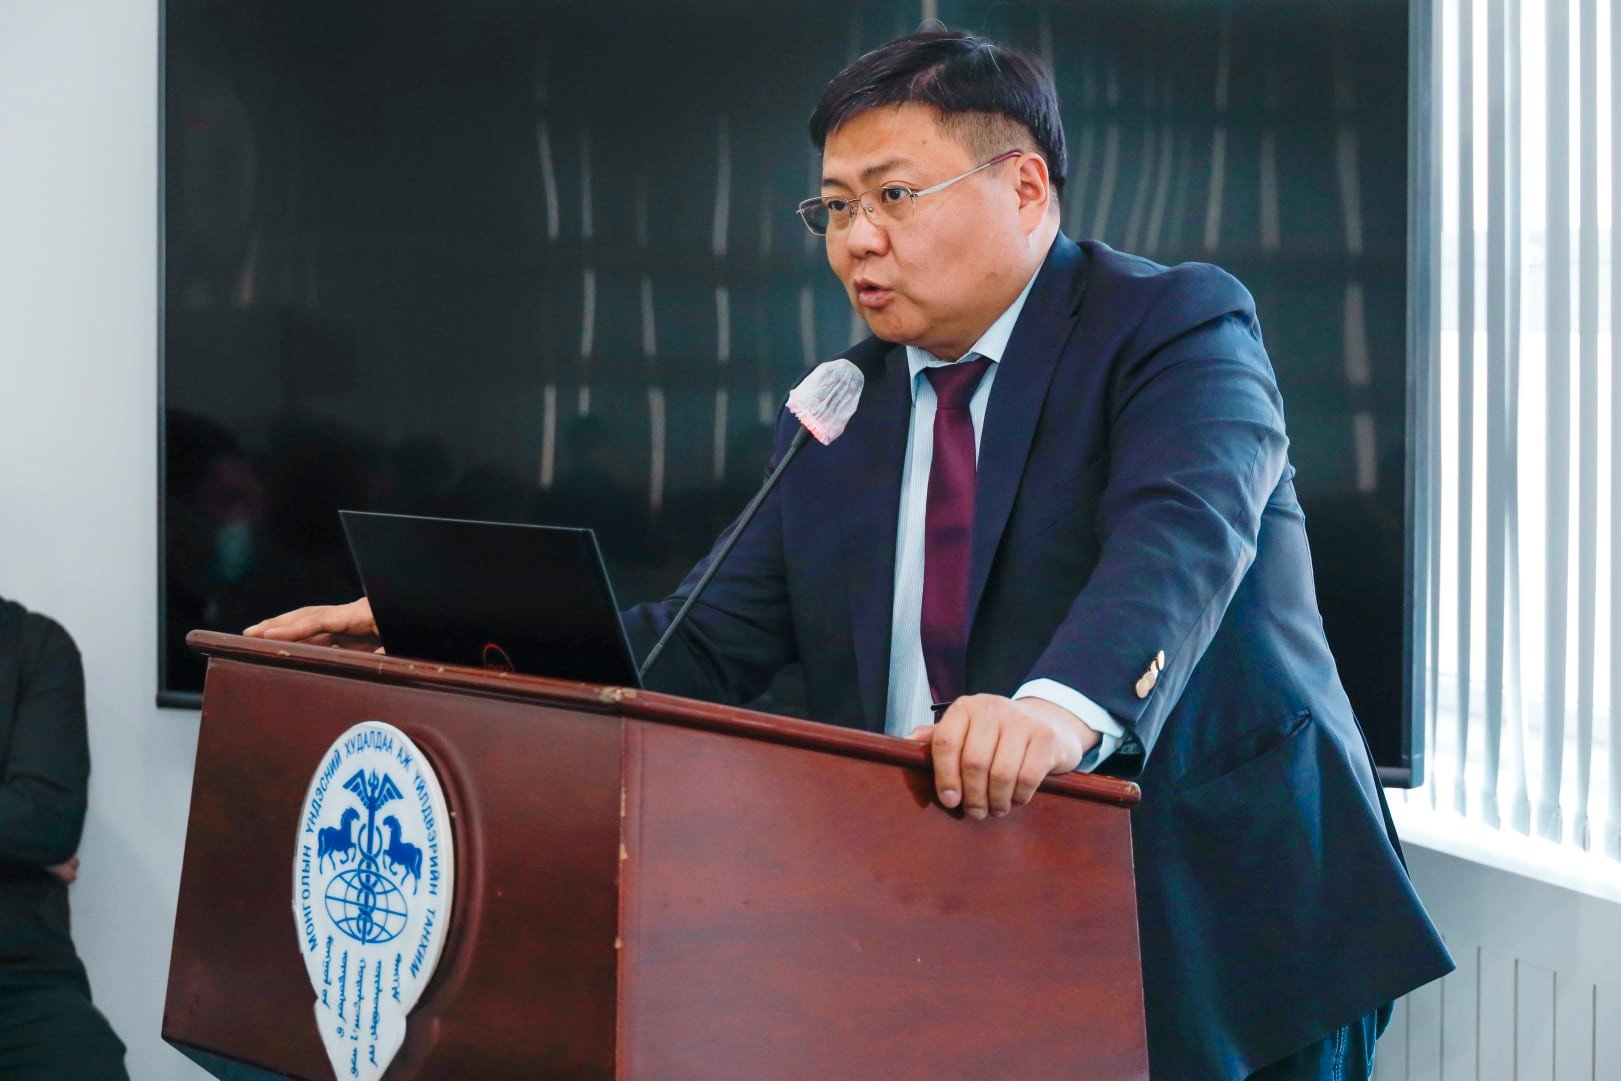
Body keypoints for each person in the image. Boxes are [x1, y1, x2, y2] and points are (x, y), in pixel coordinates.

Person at [246, 29, 1453, 1078]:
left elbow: (1180, 537)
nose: (855, 240)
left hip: (1216, 919)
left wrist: (1050, 711)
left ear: (1025, 187)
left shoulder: (1173, 325)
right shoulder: (842, 409)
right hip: (956, 920)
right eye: (833, 206)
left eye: (894, 195)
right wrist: (437, 626)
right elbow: (696, 646)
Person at [0, 599, 128, 1080]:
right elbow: (24, 824)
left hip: (18, 975)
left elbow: (48, 822)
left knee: (85, 1056)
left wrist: (27, 838)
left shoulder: (37, 645)